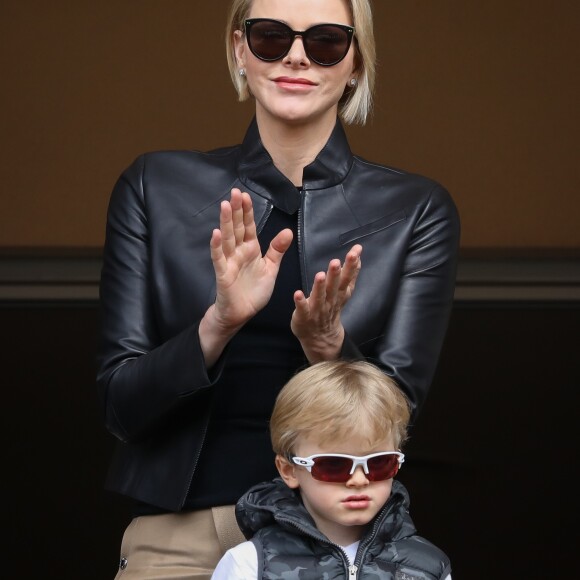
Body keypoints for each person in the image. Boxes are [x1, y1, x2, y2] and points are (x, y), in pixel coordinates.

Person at [97, 0, 460, 578]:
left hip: (338, 542)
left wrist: (328, 346)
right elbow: (121, 407)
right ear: (239, 50)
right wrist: (217, 323)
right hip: (184, 537)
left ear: (357, 63)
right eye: (269, 37)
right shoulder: (154, 186)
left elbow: (397, 415)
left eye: (325, 42)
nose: (296, 56)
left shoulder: (416, 210)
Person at [211, 360, 452, 579]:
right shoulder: (250, 564)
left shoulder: (428, 567)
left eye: (379, 463)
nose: (358, 480)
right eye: (334, 465)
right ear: (290, 470)